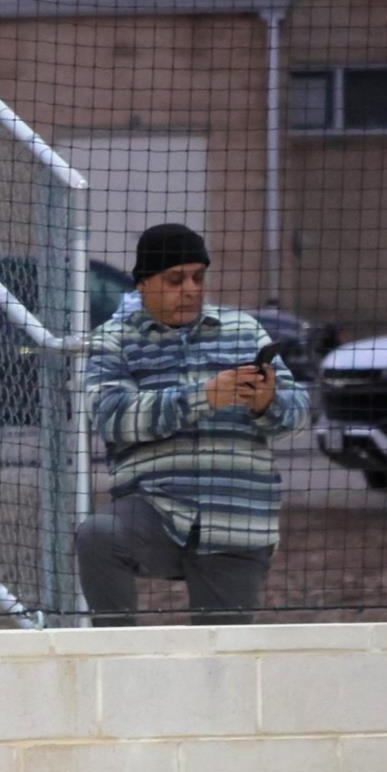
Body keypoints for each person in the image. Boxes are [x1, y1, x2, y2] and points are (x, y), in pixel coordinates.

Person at [76, 224, 308, 625]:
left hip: (236, 516)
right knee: (99, 537)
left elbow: (298, 413)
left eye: (198, 277)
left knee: (221, 662)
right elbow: (111, 416)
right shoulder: (112, 340)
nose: (191, 289)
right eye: (175, 279)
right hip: (154, 507)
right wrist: (204, 397)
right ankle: (113, 660)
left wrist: (267, 402)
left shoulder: (244, 330)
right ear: (144, 283)